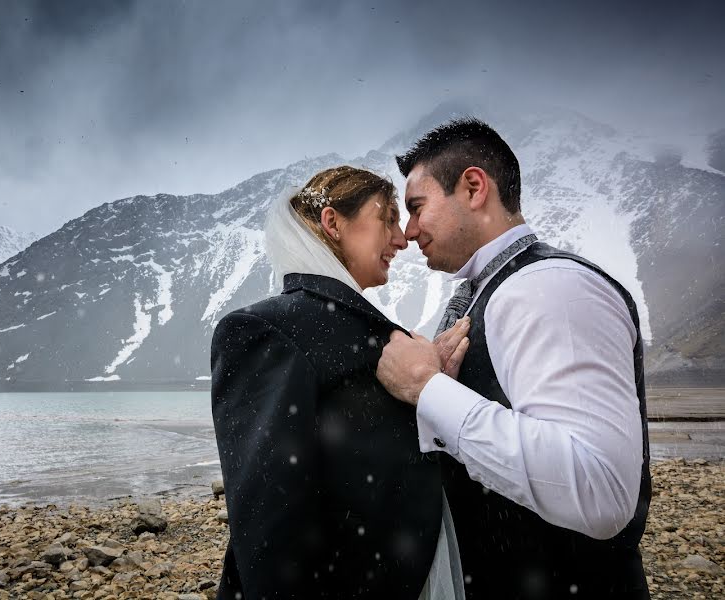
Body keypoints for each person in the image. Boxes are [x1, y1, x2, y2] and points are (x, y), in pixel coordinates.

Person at [376, 118, 651, 599]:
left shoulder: (552, 289)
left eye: (417, 207)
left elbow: (601, 491)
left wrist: (428, 390)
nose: (409, 230)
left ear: (474, 187)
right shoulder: (493, 290)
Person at [211, 166, 468, 599]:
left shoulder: (366, 329)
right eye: (387, 217)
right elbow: (267, 516)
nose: (401, 238)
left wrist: (430, 390)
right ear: (333, 223)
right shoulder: (265, 330)